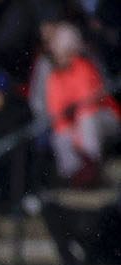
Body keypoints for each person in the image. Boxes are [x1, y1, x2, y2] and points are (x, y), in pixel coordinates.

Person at [44, 23, 120, 186]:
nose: (59, 56)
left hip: (104, 118)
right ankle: (75, 178)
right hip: (74, 122)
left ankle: (93, 168)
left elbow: (87, 103)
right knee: (61, 134)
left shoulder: (84, 67)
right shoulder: (53, 77)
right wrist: (70, 122)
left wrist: (72, 114)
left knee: (86, 120)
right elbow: (56, 111)